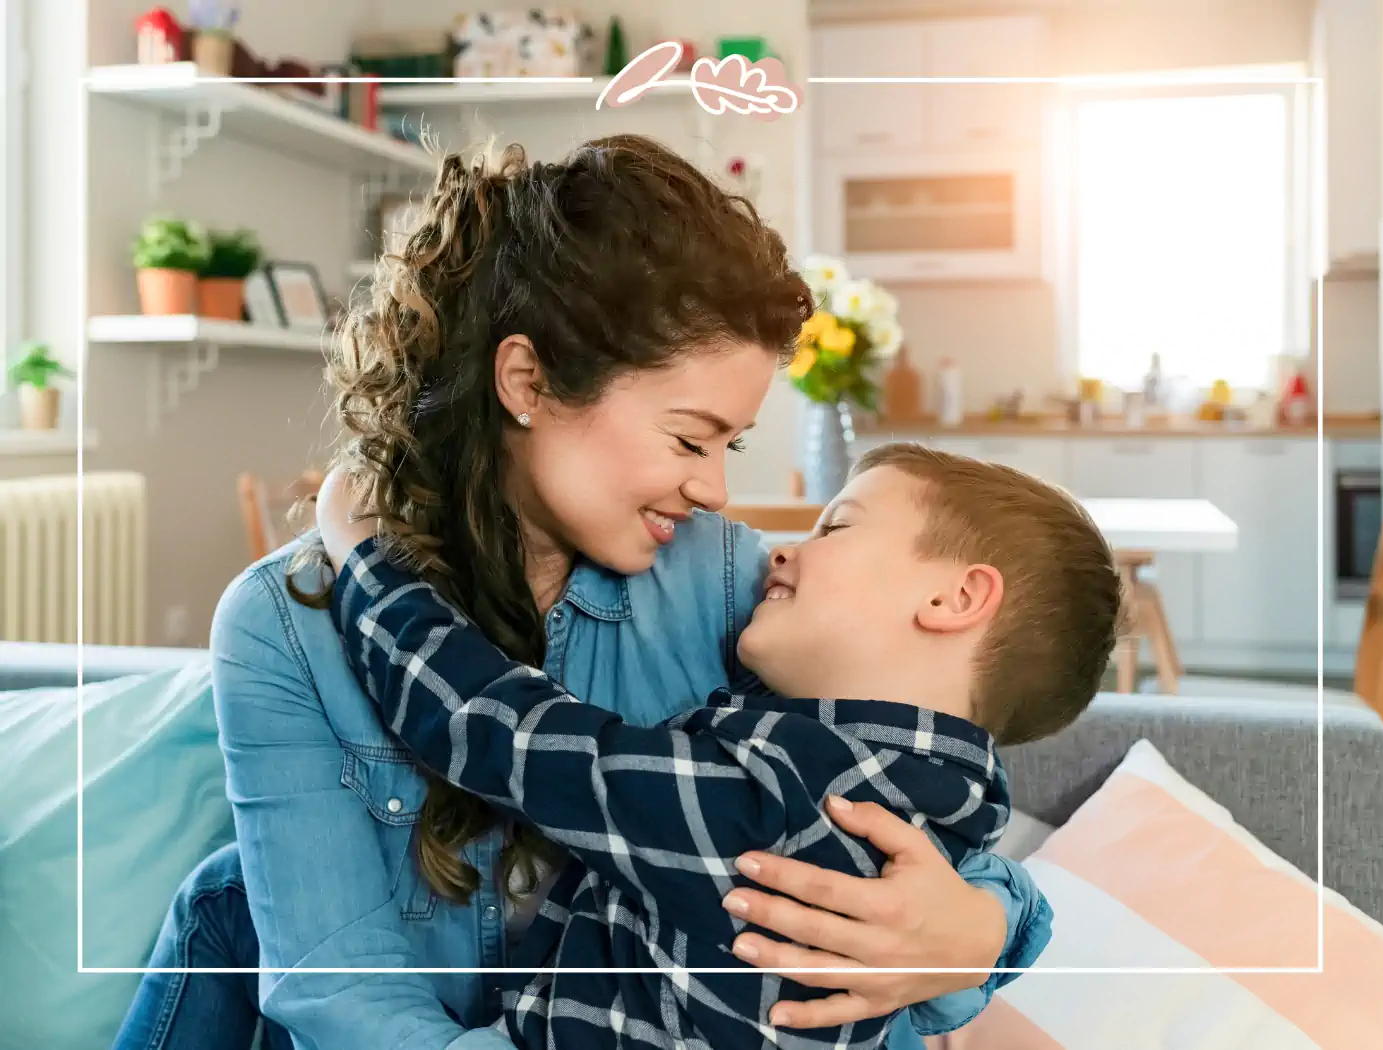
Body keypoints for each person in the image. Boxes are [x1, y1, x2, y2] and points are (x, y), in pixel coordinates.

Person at [112, 135, 1048, 1050]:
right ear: (527, 380)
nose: (716, 489)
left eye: (733, 446)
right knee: (221, 898)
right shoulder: (282, 624)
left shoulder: (734, 589)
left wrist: (978, 933)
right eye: (689, 440)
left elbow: (901, 809)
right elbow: (339, 991)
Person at [314, 442, 1121, 1049]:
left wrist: (364, 561)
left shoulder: (784, 797)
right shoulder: (934, 801)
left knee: (222, 903)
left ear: (954, 596)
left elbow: (501, 731)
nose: (783, 548)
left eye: (836, 526)